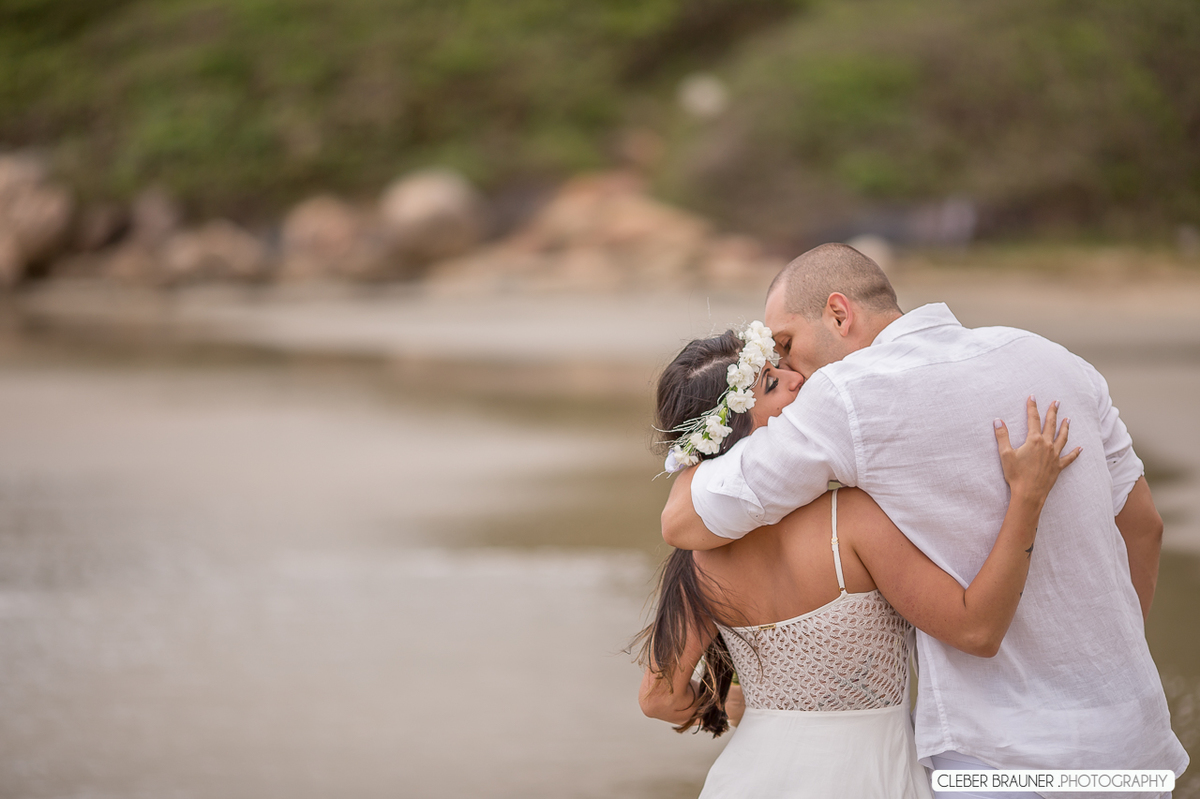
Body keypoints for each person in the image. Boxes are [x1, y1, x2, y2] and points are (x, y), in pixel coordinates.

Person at [661, 244, 1188, 797]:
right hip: (1130, 737)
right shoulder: (1053, 359)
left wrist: (695, 449)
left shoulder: (848, 397)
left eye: (788, 345)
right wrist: (1105, 657)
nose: (792, 369)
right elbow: (1144, 526)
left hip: (996, 755)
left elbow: (685, 520)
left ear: (839, 314)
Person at [636, 327, 1078, 798]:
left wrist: (734, 705)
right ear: (735, 430)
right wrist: (1027, 499)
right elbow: (977, 629)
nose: (796, 379)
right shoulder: (850, 518)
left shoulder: (698, 557)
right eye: (770, 383)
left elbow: (660, 698)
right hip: (870, 777)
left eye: (781, 366)